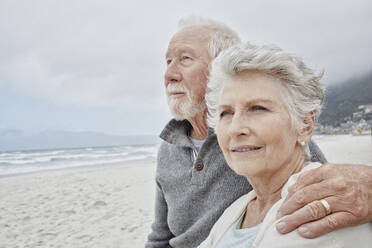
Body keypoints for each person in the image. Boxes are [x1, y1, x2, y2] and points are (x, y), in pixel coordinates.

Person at [145, 16, 372, 248]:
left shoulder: (273, 142)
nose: (168, 74)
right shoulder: (170, 150)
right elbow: (160, 237)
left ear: (219, 64)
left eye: (185, 59)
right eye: (168, 61)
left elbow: (326, 183)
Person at [198, 43, 372, 247]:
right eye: (226, 112)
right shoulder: (239, 210)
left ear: (305, 125)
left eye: (257, 108)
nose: (235, 128)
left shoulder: (318, 208)